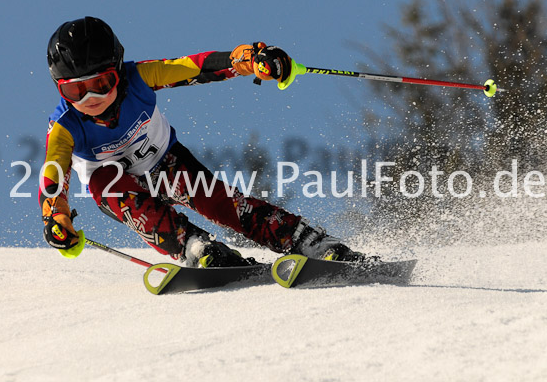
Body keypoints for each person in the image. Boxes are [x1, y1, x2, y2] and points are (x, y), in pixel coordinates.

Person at [41, 16, 364, 267]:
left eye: (101, 83)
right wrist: (57, 216)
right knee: (108, 184)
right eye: (75, 91)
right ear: (61, 89)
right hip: (117, 189)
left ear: (117, 72)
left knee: (219, 203)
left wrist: (249, 59)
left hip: (166, 163)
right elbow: (53, 177)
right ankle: (195, 247)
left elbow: (193, 66)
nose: (91, 98)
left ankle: (310, 242)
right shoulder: (65, 127)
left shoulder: (139, 78)